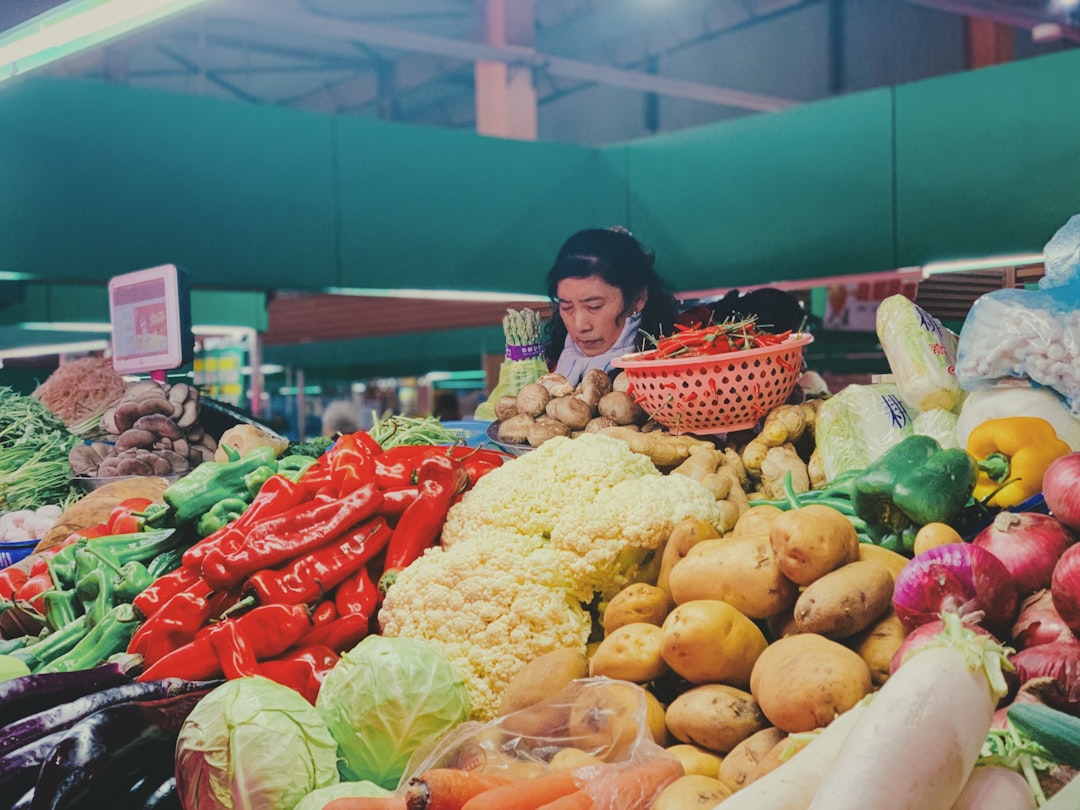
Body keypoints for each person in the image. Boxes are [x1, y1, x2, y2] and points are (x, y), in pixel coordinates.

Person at [544, 227, 679, 387]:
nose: (580, 326)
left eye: (594, 306)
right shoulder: (549, 366)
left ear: (638, 298)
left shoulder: (673, 368)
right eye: (567, 307)